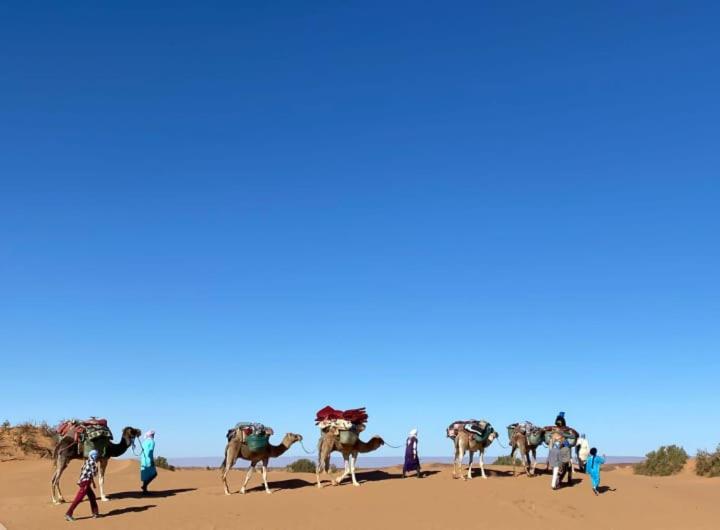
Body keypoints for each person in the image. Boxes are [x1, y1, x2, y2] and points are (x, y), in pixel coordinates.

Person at [65, 449, 100, 521]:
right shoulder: (93, 462)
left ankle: (95, 513)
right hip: (85, 483)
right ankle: (68, 513)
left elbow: (87, 473)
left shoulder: (86, 461)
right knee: (78, 499)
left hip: (84, 481)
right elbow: (94, 474)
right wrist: (96, 469)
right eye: (95, 455)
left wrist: (93, 483)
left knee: (92, 497)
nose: (96, 456)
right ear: (92, 456)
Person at [140, 430, 158, 494]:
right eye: (153, 435)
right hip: (148, 459)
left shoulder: (144, 442)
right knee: (154, 474)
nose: (153, 436)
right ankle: (144, 486)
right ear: (151, 435)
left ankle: (145, 490)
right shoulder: (152, 442)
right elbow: (150, 452)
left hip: (143, 459)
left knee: (146, 475)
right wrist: (151, 460)